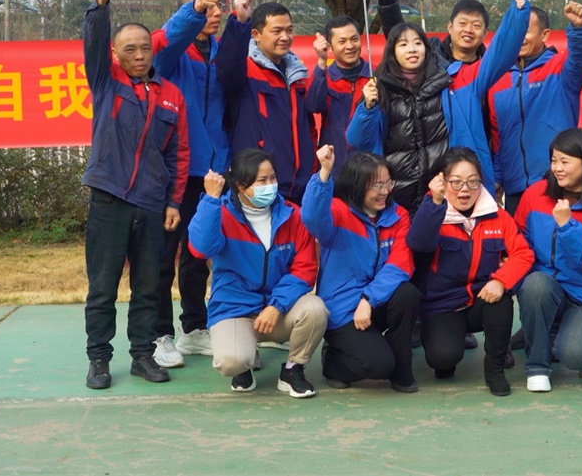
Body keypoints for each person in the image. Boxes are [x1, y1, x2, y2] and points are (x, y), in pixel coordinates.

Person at [81, 0, 188, 390]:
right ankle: (99, 360)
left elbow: (179, 154)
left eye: (146, 48)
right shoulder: (106, 82)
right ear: (117, 54)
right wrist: (100, 5)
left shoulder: (170, 96)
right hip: (109, 200)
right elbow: (93, 44)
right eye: (130, 49)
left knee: (148, 287)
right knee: (103, 287)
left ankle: (143, 355)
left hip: (151, 203)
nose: (140, 55)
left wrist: (174, 201)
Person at [372, 0, 532, 194]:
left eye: (476, 25)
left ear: (486, 32)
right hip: (416, 175)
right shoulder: (430, 65)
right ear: (449, 26)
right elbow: (400, 36)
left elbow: (496, 131)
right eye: (463, 23)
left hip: (464, 175)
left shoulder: (484, 72)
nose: (469, 30)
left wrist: (518, 16)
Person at [186, 148, 328, 398]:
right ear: (241, 186)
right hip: (235, 308)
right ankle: (246, 363)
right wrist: (211, 199)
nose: (270, 185)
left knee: (316, 310)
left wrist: (276, 306)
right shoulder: (221, 213)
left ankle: (293, 369)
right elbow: (201, 249)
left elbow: (304, 269)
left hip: (278, 310)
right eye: (262, 180)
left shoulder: (292, 215)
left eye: (272, 178)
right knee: (231, 361)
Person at [406, 148, 534, 396]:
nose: (464, 189)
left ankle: (495, 370)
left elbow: (523, 253)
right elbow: (418, 243)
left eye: (473, 182)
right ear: (443, 181)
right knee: (442, 360)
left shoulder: (497, 216)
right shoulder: (433, 210)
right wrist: (435, 201)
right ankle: (448, 347)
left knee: (501, 301)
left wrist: (501, 280)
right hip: (442, 305)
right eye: (456, 182)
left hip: (480, 298)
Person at [147, 0, 228, 368]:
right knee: (163, 257)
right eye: (205, 6)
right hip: (175, 172)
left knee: (200, 253)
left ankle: (194, 328)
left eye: (217, 6)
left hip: (213, 171)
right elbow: (168, 37)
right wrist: (195, 9)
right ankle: (159, 334)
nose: (214, 13)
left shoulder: (222, 52)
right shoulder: (171, 53)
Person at [514, 129, 582, 392]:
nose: (557, 168)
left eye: (565, 161)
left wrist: (567, 225)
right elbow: (519, 240)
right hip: (547, 286)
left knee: (575, 356)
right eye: (554, 160)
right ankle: (537, 368)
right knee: (535, 284)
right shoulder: (535, 194)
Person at [302, 146, 420, 393]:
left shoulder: (398, 215)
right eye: (377, 185)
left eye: (388, 183)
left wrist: (368, 298)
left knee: (407, 293)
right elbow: (312, 218)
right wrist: (324, 174)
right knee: (378, 365)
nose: (385, 191)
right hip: (343, 308)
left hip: (374, 301)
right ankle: (333, 362)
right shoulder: (337, 211)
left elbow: (400, 265)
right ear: (357, 186)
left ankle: (402, 371)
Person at [489, 1, 582, 215]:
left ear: (545, 34)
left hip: (557, 185)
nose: (519, 37)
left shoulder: (560, 68)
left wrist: (579, 28)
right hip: (516, 189)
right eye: (514, 31)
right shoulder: (497, 79)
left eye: (526, 31)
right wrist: (498, 178)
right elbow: (498, 140)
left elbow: (581, 58)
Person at [345, 21, 451, 216]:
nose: (412, 49)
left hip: (438, 191)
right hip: (395, 196)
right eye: (403, 44)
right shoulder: (379, 88)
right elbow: (356, 140)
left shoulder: (444, 82)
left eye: (417, 43)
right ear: (392, 51)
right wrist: (367, 107)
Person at [217, 0, 316, 204]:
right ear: (256, 34)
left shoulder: (298, 74)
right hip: (259, 185)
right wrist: (240, 22)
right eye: (277, 31)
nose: (285, 37)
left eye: (289, 30)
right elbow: (227, 64)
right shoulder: (245, 70)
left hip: (300, 187)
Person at [306, 16, 371, 179]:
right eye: (342, 41)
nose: (350, 46)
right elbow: (312, 105)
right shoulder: (324, 77)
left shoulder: (376, 75)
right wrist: (321, 61)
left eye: (354, 39)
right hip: (335, 168)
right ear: (330, 46)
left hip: (371, 168)